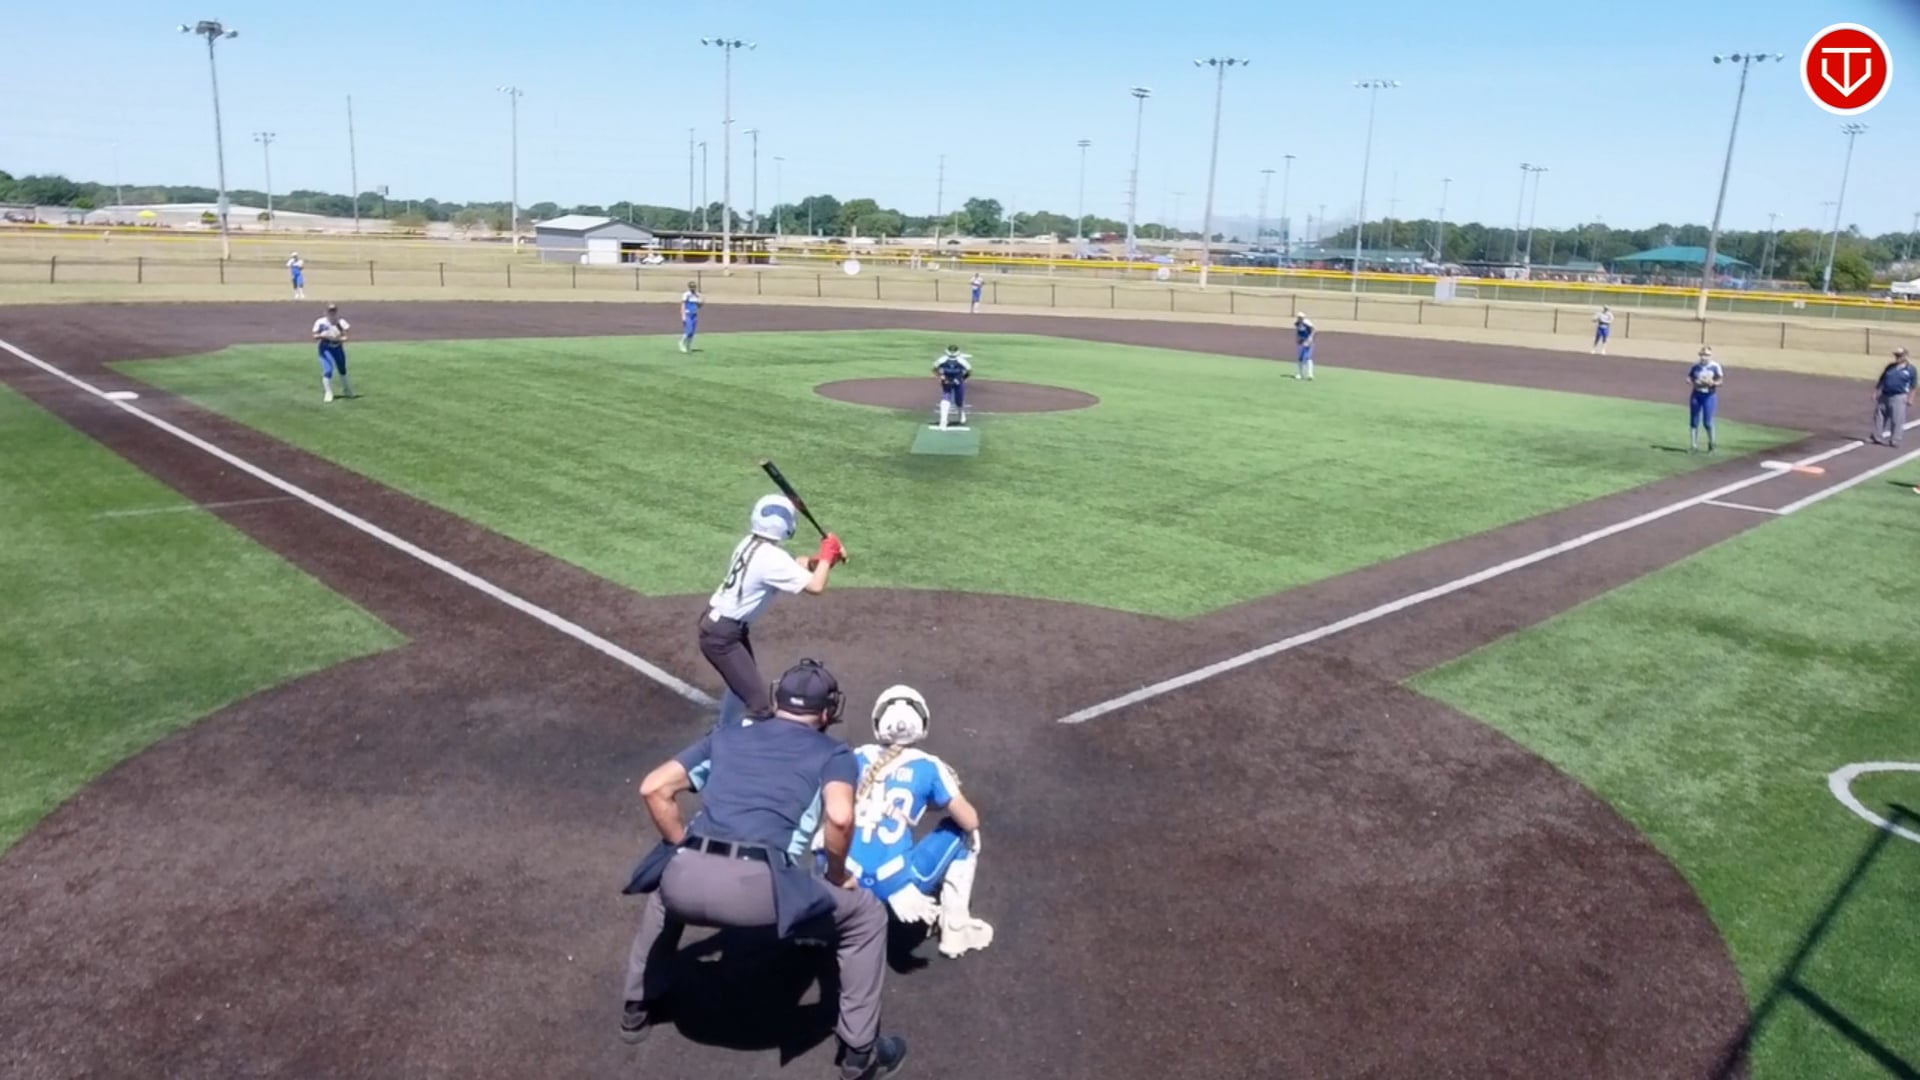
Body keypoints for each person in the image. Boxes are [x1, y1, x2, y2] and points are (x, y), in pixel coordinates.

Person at [619, 660, 909, 1080]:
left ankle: (636, 1007)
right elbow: (841, 817)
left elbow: (654, 787)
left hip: (687, 878)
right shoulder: (834, 754)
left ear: (776, 700)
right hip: (758, 890)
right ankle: (860, 1054)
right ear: (829, 711)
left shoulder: (726, 735)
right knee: (865, 914)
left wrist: (679, 846)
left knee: (665, 893)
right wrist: (836, 875)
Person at [826, 685, 994, 959]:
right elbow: (969, 819)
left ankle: (828, 915)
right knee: (964, 834)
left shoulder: (855, 757)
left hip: (845, 875)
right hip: (898, 886)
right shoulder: (929, 765)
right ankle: (955, 928)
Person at [700, 494, 845, 728]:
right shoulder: (771, 559)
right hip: (723, 637)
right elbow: (815, 586)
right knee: (761, 708)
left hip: (720, 626)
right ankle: (730, 741)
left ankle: (722, 732)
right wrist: (827, 554)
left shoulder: (752, 544)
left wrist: (827, 559)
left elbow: (800, 565)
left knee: (741, 686)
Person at [1869, 346, 1916, 448]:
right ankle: (1876, 436)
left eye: (1899, 355)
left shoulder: (1910, 369)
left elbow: (1913, 385)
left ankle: (1895, 440)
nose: (1897, 357)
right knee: (1879, 416)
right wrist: (1876, 392)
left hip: (1899, 397)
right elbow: (1882, 380)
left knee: (1897, 419)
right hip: (1885, 395)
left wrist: (1910, 398)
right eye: (1896, 355)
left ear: (1905, 356)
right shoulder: (1890, 367)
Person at [311, 303, 354, 403]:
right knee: (328, 370)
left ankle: (347, 389)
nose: (332, 313)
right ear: (326, 312)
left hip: (337, 347)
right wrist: (324, 336)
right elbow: (315, 335)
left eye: (334, 311)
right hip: (325, 347)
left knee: (342, 369)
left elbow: (347, 336)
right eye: (330, 311)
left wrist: (339, 339)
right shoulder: (321, 322)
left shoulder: (341, 322)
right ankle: (328, 392)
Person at [1687, 346, 1724, 454]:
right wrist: (1692, 382)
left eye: (1707, 355)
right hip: (1696, 395)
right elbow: (1689, 377)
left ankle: (1711, 445)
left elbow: (1720, 381)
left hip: (1709, 396)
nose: (1704, 357)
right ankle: (1693, 446)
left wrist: (1712, 383)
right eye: (1702, 355)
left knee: (1707, 422)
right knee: (1694, 421)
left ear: (1710, 356)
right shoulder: (1695, 366)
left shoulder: (1715, 366)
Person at [932, 345, 972, 428]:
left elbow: (969, 371)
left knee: (959, 400)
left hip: (958, 382)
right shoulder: (942, 360)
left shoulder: (961, 361)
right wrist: (942, 376)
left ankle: (961, 413)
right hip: (947, 380)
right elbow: (934, 369)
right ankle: (943, 420)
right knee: (946, 397)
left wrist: (961, 379)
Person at [679, 281, 703, 353]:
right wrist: (683, 315)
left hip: (694, 314)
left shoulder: (697, 295)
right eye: (691, 287)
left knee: (692, 332)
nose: (693, 288)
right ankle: (681, 343)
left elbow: (698, 306)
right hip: (688, 314)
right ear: (689, 287)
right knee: (688, 331)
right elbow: (683, 305)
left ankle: (688, 346)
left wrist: (701, 303)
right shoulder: (686, 295)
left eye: (694, 287)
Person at [1293, 312, 1316, 380]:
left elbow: (1313, 329)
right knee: (1300, 358)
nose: (1300, 318)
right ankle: (1300, 374)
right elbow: (1297, 331)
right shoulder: (1297, 323)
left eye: (1301, 317)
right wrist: (1297, 338)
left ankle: (1310, 374)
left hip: (1308, 341)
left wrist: (1310, 338)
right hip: (1301, 341)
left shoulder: (1307, 323)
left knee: (1308, 357)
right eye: (1299, 317)